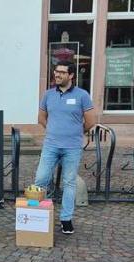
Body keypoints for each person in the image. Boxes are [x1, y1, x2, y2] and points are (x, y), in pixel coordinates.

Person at [35, 60, 96, 234]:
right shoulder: (48, 95)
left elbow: (91, 120)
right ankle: (41, 215)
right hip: (51, 145)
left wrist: (76, 132)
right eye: (56, 71)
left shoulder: (82, 95)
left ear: (71, 76)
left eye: (61, 72)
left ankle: (66, 219)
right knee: (41, 179)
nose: (57, 74)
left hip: (72, 147)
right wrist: (53, 130)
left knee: (69, 183)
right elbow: (41, 117)